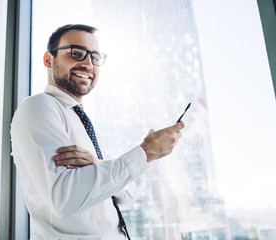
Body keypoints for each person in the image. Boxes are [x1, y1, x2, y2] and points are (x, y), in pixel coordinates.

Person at [10, 24, 184, 240]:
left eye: (95, 57)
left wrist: (97, 165)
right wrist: (145, 152)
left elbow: (127, 197)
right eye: (76, 53)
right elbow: (65, 198)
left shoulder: (85, 124)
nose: (87, 64)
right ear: (49, 60)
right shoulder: (38, 107)